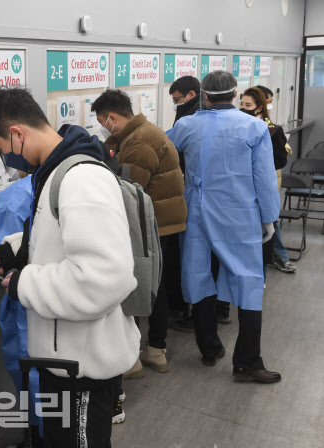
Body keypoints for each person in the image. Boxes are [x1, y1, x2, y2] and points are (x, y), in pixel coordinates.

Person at [0, 87, 139, 447]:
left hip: (82, 367)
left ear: (18, 134)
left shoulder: (80, 178)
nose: (5, 158)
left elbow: (104, 277)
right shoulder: (54, 170)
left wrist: (24, 283)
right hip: (64, 359)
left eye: (1, 148)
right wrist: (12, 252)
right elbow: (61, 239)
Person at [167, 70, 281, 383]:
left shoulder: (186, 125)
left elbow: (163, 152)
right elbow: (264, 178)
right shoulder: (254, 127)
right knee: (248, 282)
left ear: (203, 96)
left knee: (199, 274)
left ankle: (209, 348)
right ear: (234, 95)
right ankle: (247, 361)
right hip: (239, 215)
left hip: (198, 214)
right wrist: (269, 217)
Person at [92, 89, 187, 377]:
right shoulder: (141, 133)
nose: (102, 126)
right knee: (155, 288)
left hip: (152, 225)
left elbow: (127, 189)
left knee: (144, 289)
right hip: (163, 221)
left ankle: (141, 355)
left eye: (101, 121)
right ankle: (154, 350)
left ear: (112, 117)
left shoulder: (140, 142)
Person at [0, 171, 44, 446]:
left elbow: (2, 255)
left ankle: (34, 437)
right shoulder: (53, 183)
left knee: (30, 376)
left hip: (26, 301)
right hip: (50, 308)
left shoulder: (13, 197)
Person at [240, 87, 294, 279]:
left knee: (267, 227)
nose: (242, 108)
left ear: (259, 108)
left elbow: (281, 160)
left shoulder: (272, 130)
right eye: (241, 104)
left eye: (248, 105)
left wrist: (260, 163)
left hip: (266, 185)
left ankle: (266, 270)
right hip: (244, 189)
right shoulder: (238, 127)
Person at [168, 76, 206, 332]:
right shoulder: (194, 114)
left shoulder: (189, 120)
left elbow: (169, 149)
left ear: (191, 95)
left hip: (193, 192)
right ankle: (211, 311)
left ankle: (194, 312)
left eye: (177, 99)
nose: (175, 104)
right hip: (201, 193)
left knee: (194, 258)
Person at [253, 86, 298, 274]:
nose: (270, 104)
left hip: (270, 179)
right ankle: (276, 257)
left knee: (269, 219)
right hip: (258, 181)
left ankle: (280, 258)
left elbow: (281, 158)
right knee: (267, 220)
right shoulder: (243, 125)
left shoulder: (271, 128)